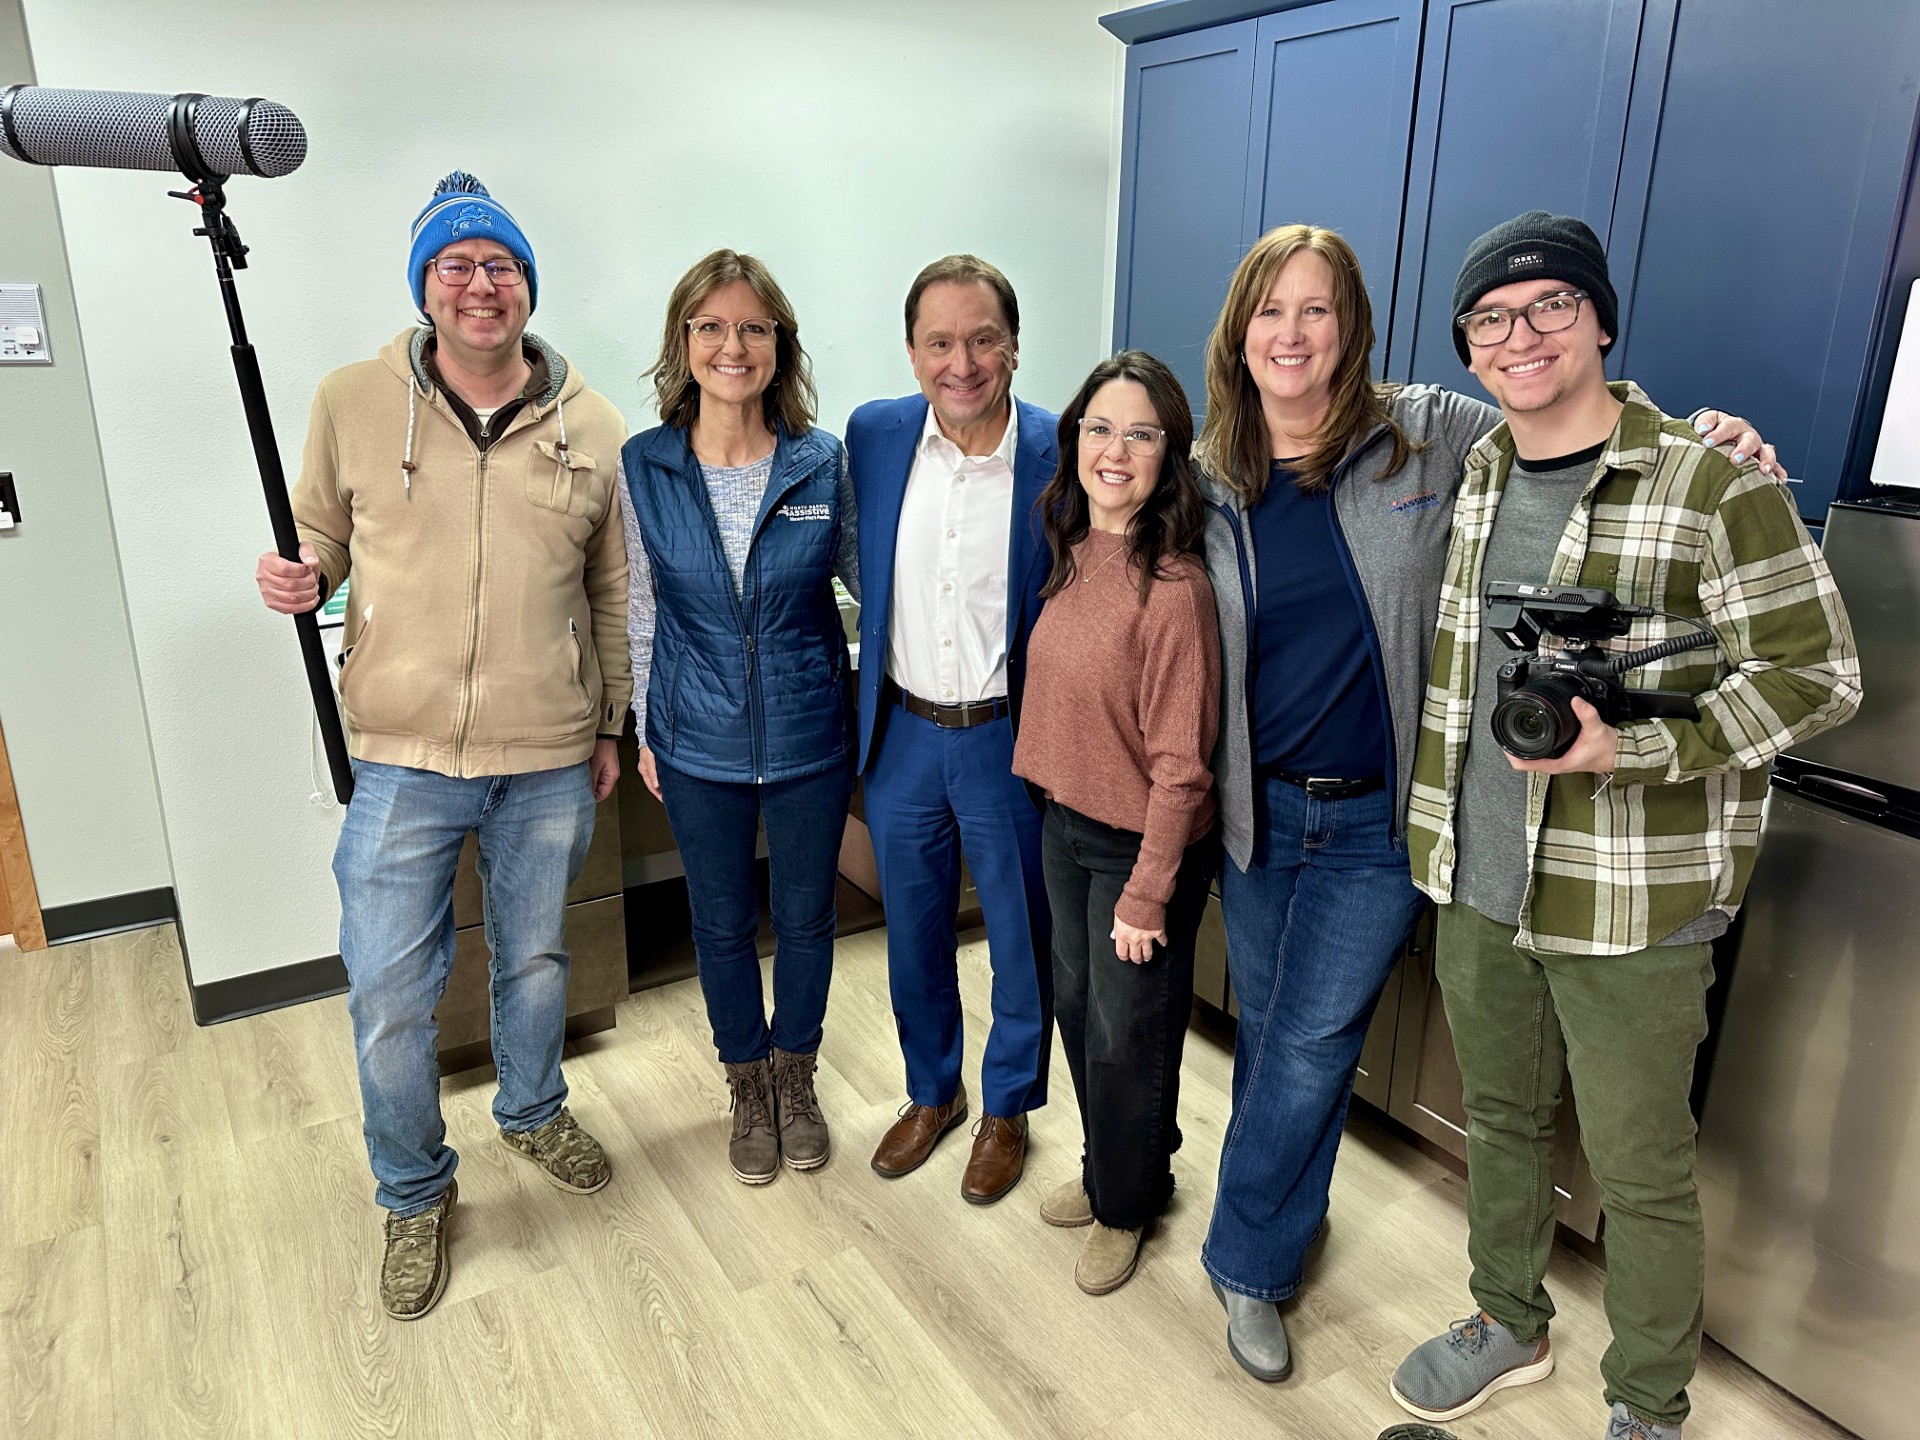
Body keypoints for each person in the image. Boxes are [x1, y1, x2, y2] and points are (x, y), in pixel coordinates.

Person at [1191, 224, 1774, 1383]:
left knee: (1310, 1049)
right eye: (1271, 311)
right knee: (1271, 1043)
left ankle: (1247, 1263)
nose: (1293, 334)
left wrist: (1719, 431)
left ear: (1354, 329)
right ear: (1239, 332)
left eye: (1319, 309)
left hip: (1381, 820)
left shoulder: (1430, 435)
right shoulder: (1208, 475)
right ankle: (1286, 1227)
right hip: (1257, 813)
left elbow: (1586, 426)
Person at [1390, 211, 1861, 1440]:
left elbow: (1819, 676)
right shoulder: (1482, 468)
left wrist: (1640, 744)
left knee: (1643, 1172)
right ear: (1470, 350)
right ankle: (1509, 1320)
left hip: (1634, 895)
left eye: (1551, 306)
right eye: (1491, 319)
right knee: (1498, 1118)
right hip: (1479, 869)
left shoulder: (1711, 479)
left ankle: (1649, 1405)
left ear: (1601, 319)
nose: (1521, 336)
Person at [254, 171, 629, 1321]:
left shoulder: (594, 423)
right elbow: (319, 529)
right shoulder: (353, 400)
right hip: (403, 755)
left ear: (527, 286)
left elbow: (613, 593)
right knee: (389, 994)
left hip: (548, 752)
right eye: (456, 266)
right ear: (427, 287)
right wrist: (301, 572)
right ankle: (413, 1189)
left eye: (501, 265)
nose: (481, 284)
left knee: (533, 961)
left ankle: (532, 1110)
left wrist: (610, 722)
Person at [618, 249, 857, 1186]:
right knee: (719, 925)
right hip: (696, 741)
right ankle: (745, 1085)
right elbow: (640, 607)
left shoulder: (819, 461)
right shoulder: (646, 465)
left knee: (804, 919)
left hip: (807, 739)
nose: (733, 344)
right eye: (711, 326)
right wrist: (645, 726)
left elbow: (866, 589)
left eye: (754, 327)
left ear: (778, 344)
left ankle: (796, 1078)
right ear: (684, 343)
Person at [848, 254, 1057, 1203]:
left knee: (1020, 937)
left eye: (981, 339)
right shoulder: (877, 436)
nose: (961, 362)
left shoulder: (1062, 451)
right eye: (939, 342)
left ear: (1013, 346)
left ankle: (1009, 1107)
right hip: (900, 736)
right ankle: (933, 1093)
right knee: (915, 935)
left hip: (1010, 741)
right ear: (912, 351)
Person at [1012, 350, 1219, 1295]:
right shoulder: (1073, 553)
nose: (1115, 448)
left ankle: (1127, 1206)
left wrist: (1148, 893)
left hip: (1135, 847)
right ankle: (1114, 1171)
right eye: (1099, 426)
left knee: (1125, 1038)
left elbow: (1182, 766)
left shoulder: (1173, 590)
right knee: (1077, 1013)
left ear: (1169, 454)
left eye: (1141, 433)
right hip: (1062, 827)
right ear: (1074, 440)